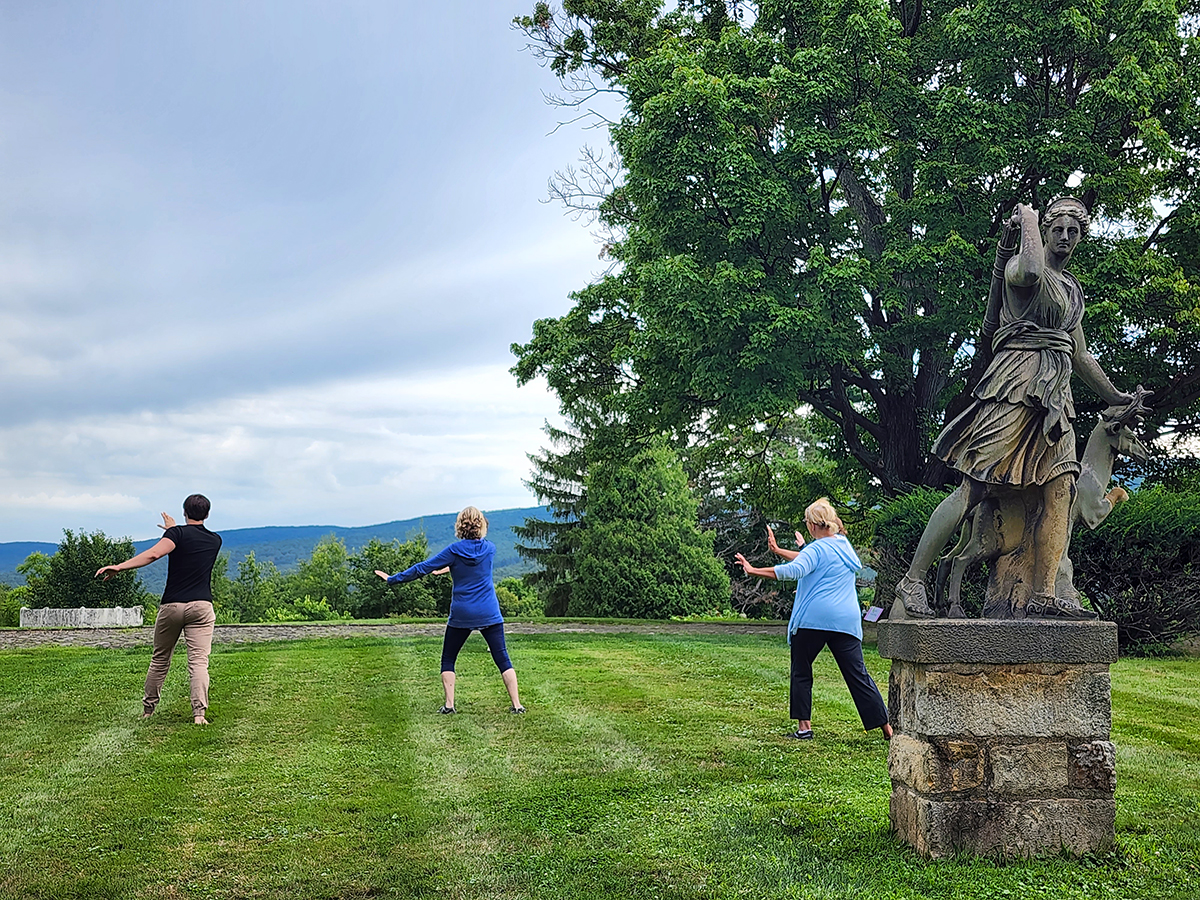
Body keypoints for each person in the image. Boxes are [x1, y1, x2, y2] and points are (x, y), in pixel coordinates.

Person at [895, 198, 1136, 619]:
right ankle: (912, 581)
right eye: (1057, 228)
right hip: (1014, 385)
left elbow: (1081, 355)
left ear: (1081, 238)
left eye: (1073, 232)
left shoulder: (1072, 289)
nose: (1064, 237)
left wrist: (1118, 397)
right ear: (1043, 231)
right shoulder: (1019, 271)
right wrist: (1026, 217)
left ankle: (1044, 595)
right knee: (972, 488)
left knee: (1061, 491)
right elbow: (1028, 269)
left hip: (1057, 398)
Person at [736, 499, 891, 741]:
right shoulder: (843, 547)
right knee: (858, 675)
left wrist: (754, 570)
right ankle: (887, 729)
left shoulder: (815, 550)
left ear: (811, 525)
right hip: (846, 621)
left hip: (814, 620)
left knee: (801, 670)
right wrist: (780, 551)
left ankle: (804, 728)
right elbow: (811, 558)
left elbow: (795, 569)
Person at [376, 506, 524, 714]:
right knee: (502, 657)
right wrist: (449, 567)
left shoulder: (454, 551)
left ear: (460, 526)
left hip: (462, 613)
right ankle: (517, 705)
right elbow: (474, 566)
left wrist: (393, 579)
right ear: (481, 526)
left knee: (449, 658)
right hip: (489, 611)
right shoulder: (490, 548)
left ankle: (449, 706)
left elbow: (422, 568)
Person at [95, 494, 222, 725]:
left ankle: (148, 710)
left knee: (160, 659)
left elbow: (155, 553)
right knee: (199, 662)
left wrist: (120, 567)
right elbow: (189, 540)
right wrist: (174, 531)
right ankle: (199, 715)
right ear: (208, 514)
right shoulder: (215, 540)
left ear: (184, 512)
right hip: (202, 606)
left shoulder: (176, 535)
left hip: (172, 605)